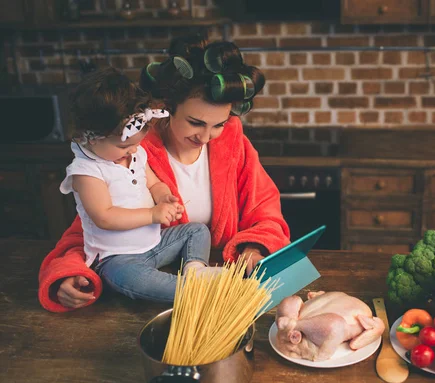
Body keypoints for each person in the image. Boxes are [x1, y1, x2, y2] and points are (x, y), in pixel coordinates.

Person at [38, 32, 290, 312]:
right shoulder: (128, 148)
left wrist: (256, 248)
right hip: (146, 291)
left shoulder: (234, 144)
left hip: (207, 266)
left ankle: (200, 274)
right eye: (195, 122)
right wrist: (69, 272)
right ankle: (204, 290)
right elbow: (86, 229)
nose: (207, 137)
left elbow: (265, 209)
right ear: (166, 109)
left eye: (219, 124)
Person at [58, 67, 214, 303]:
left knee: (197, 230)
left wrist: (163, 197)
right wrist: (152, 214)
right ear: (87, 137)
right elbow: (105, 217)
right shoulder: (86, 171)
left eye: (135, 144)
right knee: (137, 280)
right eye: (123, 147)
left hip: (154, 245)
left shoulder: (135, 153)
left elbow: (153, 183)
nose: (132, 151)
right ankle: (191, 290)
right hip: (117, 259)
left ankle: (196, 270)